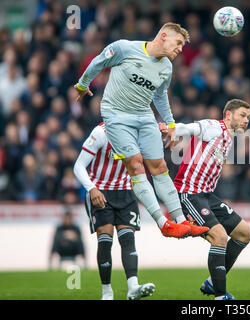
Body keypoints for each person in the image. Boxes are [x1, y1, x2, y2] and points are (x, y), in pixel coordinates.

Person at [73, 22, 208, 239]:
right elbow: (98, 62)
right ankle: (163, 223)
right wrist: (82, 84)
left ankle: (182, 221)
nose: (180, 49)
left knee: (159, 165)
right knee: (136, 164)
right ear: (164, 36)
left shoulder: (166, 67)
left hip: (144, 115)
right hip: (116, 115)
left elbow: (160, 95)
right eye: (178, 43)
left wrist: (171, 123)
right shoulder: (124, 48)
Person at [161, 99, 250, 300]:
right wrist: (173, 129)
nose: (246, 120)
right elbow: (190, 127)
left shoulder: (229, 138)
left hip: (207, 195)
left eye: (248, 117)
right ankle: (221, 296)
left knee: (245, 233)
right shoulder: (214, 127)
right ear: (228, 115)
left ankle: (213, 283)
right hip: (189, 193)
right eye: (242, 115)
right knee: (219, 236)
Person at [73, 122, 154, 300]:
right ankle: (107, 292)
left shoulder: (137, 131)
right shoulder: (100, 133)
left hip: (125, 190)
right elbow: (78, 166)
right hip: (100, 191)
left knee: (128, 238)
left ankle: (133, 287)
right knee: (105, 238)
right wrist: (92, 189)